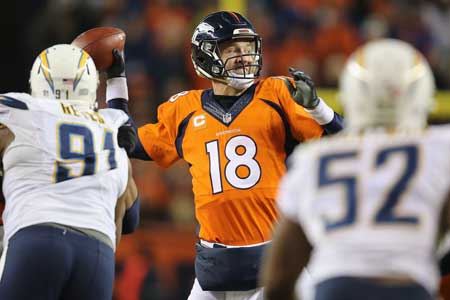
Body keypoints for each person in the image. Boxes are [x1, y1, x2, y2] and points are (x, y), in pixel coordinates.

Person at [108, 11, 344, 299]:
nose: (244, 56)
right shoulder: (184, 110)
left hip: (272, 257)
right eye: (233, 49)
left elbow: (347, 142)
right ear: (206, 55)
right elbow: (126, 139)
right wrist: (115, 79)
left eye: (247, 48)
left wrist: (317, 108)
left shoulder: (277, 93)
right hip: (216, 265)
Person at [260, 38, 447, 300]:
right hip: (407, 287)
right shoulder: (440, 146)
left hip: (334, 289)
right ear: (422, 93)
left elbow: (278, 279)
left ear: (351, 93)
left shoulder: (313, 158)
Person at [0, 43, 139, 300]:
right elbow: (131, 219)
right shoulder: (112, 125)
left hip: (36, 238)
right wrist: (117, 80)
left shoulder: (22, 110)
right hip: (97, 255)